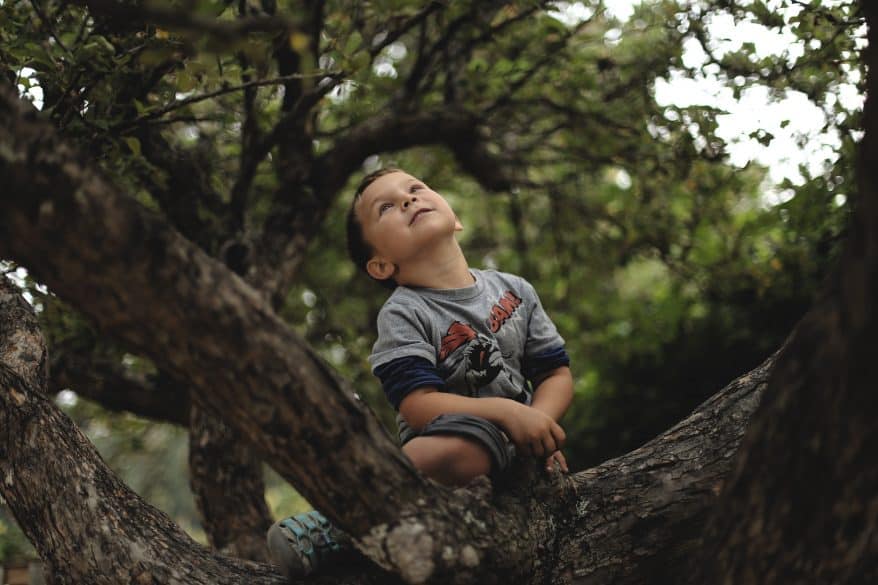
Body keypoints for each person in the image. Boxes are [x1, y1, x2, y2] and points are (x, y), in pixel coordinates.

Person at [267, 168, 574, 577]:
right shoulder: (404, 312)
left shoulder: (514, 289)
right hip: (444, 451)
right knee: (469, 445)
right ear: (380, 265)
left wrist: (538, 427)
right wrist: (509, 413)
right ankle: (339, 522)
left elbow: (555, 372)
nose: (409, 200)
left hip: (514, 451)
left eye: (415, 189)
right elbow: (418, 405)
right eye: (387, 207)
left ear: (455, 218)